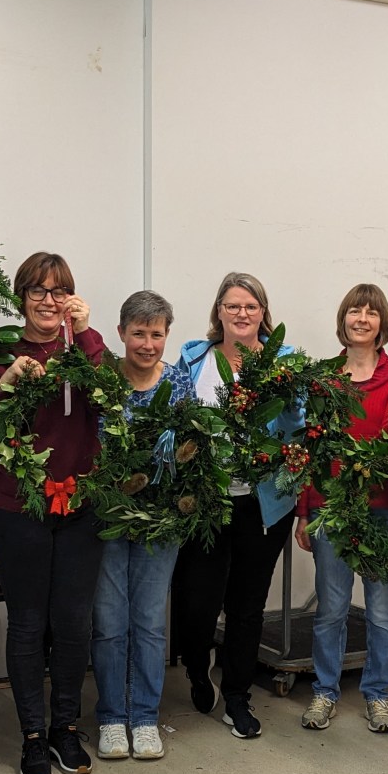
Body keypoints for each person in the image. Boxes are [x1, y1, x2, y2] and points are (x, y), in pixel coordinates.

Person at [0, 252, 104, 774]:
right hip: (15, 505)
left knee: (72, 620)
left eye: (59, 292)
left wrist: (88, 335)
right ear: (21, 297)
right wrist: (8, 387)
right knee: (27, 621)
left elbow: (110, 401)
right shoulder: (1, 353)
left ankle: (65, 726)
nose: (49, 302)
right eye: (38, 292)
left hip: (79, 504)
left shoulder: (82, 349)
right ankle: (31, 734)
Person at [171, 272, 302, 739]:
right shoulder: (194, 359)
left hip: (263, 505)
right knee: (198, 602)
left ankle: (238, 697)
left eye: (251, 306)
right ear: (219, 312)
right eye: (233, 306)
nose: (242, 314)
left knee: (247, 605)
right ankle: (196, 667)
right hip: (205, 501)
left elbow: (301, 424)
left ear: (263, 312)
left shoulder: (284, 363)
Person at [294, 284, 388, 734]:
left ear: (383, 322)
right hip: (330, 510)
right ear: (343, 320)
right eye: (353, 311)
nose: (361, 319)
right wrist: (305, 512)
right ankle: (325, 692)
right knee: (331, 609)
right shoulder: (325, 378)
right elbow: (312, 448)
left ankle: (378, 694)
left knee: (383, 610)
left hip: (383, 508)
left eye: (371, 312)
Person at [92, 291, 193, 761]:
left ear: (166, 336)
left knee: (150, 623)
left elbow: (195, 447)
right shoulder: (105, 381)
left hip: (161, 524)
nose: (147, 343)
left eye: (156, 334)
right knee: (111, 623)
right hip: (110, 521)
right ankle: (112, 716)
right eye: (138, 333)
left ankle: (146, 717)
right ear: (121, 334)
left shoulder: (179, 381)